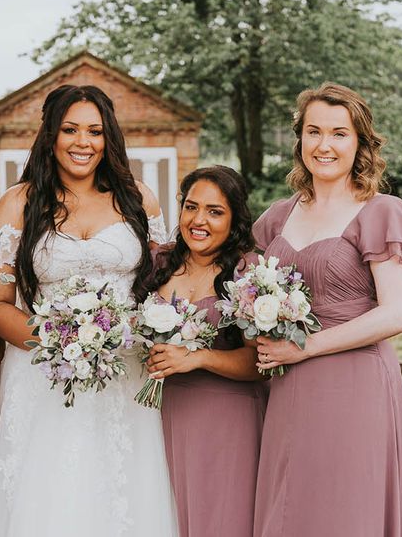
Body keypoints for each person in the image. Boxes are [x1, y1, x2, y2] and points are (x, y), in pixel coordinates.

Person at [251, 83, 402, 537]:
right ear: (299, 138)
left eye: (339, 134)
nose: (325, 145)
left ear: (359, 143)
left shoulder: (381, 212)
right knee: (289, 509)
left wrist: (305, 348)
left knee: (346, 509)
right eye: (314, 131)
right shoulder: (278, 217)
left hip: (355, 385)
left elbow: (398, 314)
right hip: (287, 388)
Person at [0, 84, 177, 537]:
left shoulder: (138, 199)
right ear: (51, 135)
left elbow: (163, 285)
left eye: (94, 131)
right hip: (42, 373)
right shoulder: (19, 203)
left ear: (108, 138)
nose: (82, 142)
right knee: (49, 496)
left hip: (125, 372)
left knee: (125, 492)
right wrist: (59, 342)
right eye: (70, 129)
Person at [145, 166, 267, 537]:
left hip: (228, 419)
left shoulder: (249, 272)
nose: (199, 220)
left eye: (215, 212)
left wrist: (198, 357)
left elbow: (260, 363)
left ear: (235, 219)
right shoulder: (158, 264)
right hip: (161, 416)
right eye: (191, 207)